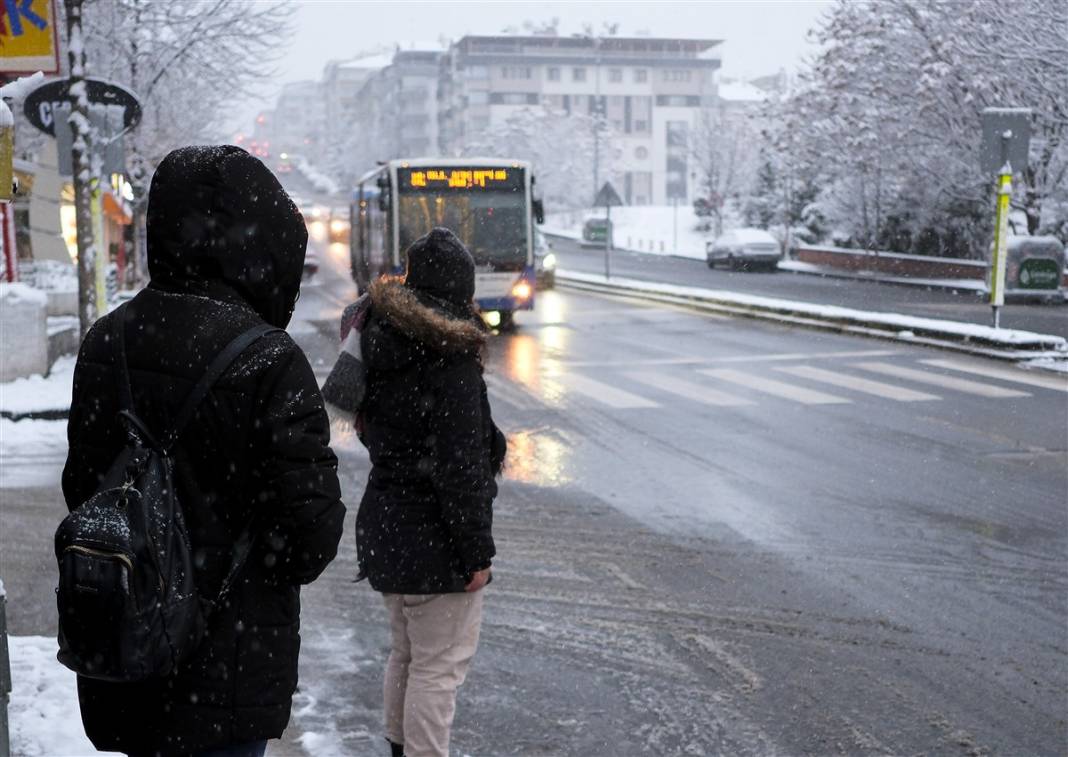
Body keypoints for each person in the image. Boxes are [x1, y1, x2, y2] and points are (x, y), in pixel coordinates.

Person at [61, 145, 346, 757]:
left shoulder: (106, 341)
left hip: (127, 641)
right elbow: (310, 532)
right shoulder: (268, 359)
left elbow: (85, 488)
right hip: (227, 664)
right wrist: (227, 565)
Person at [353, 227, 506, 757]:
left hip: (387, 523)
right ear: (460, 294)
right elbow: (461, 468)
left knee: (408, 655)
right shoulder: (451, 356)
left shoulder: (382, 338)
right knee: (438, 670)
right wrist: (476, 555)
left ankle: (398, 749)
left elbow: (375, 426)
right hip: (434, 539)